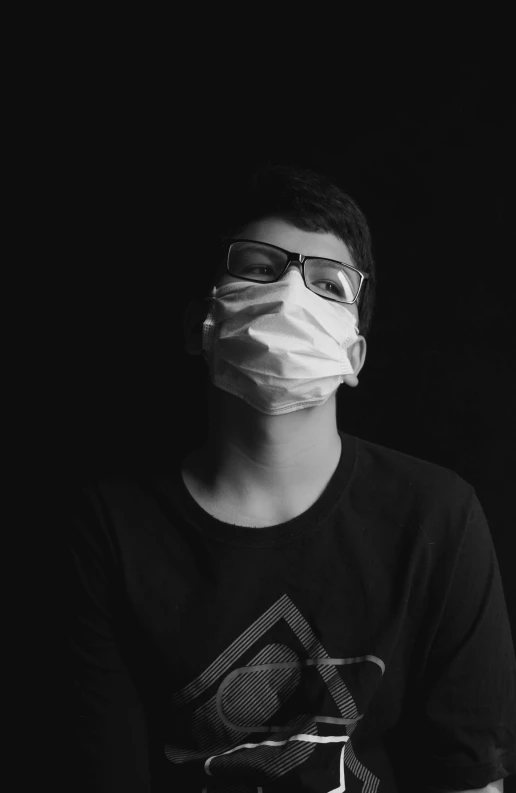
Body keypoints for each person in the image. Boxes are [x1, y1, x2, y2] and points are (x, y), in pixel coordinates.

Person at [65, 163, 515, 791]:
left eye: (329, 285)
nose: (292, 295)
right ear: (202, 322)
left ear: (353, 352)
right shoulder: (109, 529)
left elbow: (466, 774)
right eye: (258, 268)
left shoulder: (438, 517)